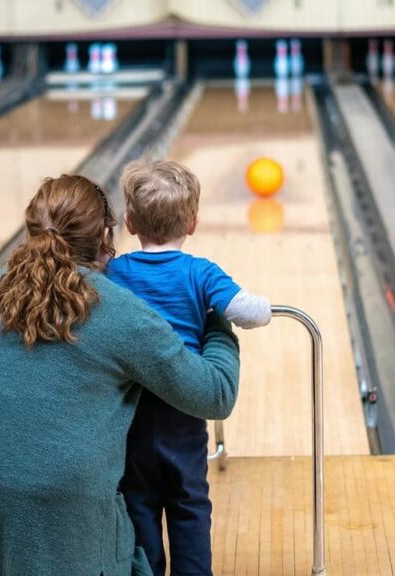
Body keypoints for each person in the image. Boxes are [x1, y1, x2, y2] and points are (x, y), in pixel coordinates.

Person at [0, 174, 241, 576]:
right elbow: (215, 394)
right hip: (56, 501)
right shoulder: (121, 312)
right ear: (106, 236)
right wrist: (216, 323)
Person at [107, 160, 272, 575]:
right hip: (183, 411)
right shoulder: (200, 273)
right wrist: (267, 308)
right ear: (193, 223)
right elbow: (248, 313)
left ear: (129, 222)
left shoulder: (114, 272)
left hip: (132, 415)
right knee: (189, 503)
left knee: (138, 502)